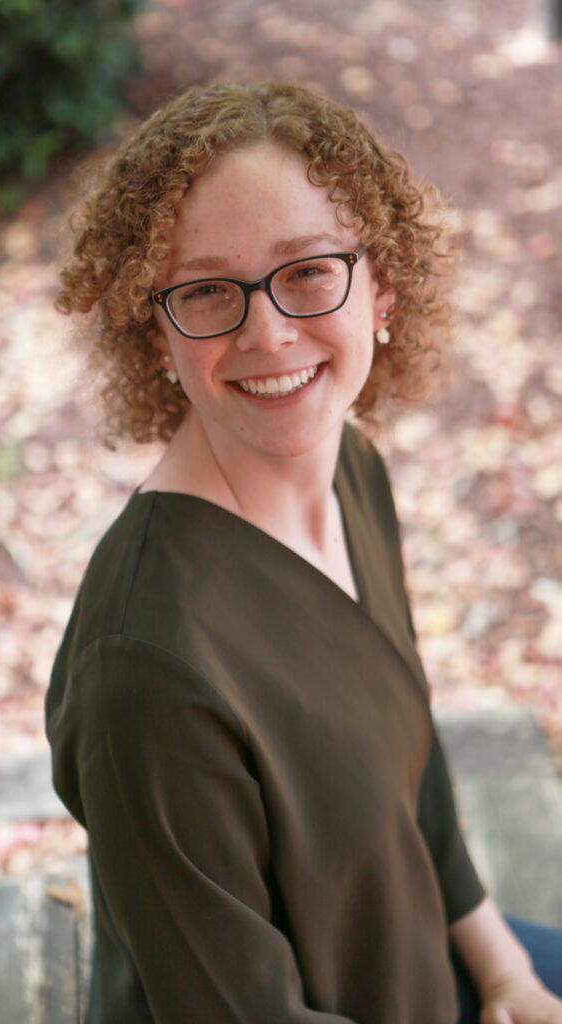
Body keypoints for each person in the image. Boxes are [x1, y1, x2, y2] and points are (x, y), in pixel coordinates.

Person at [46, 81, 562, 1024]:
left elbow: (414, 779)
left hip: (430, 965)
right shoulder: (146, 676)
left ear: (382, 288)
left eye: (309, 269)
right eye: (205, 289)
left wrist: (505, 976)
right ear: (153, 332)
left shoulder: (351, 470)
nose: (267, 332)